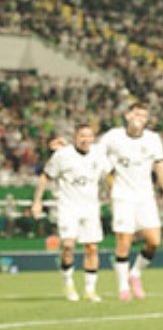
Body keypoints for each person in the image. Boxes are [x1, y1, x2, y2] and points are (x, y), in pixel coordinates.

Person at [97, 102, 163, 300]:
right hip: (122, 195)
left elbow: (161, 169)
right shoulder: (113, 136)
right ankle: (122, 287)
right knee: (123, 241)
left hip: (145, 196)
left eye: (144, 115)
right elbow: (93, 153)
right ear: (127, 115)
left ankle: (135, 274)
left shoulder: (153, 139)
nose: (140, 118)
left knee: (154, 241)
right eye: (136, 114)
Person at [30, 123, 112, 302]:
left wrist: (113, 193)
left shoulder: (99, 153)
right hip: (68, 207)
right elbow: (45, 176)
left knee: (92, 247)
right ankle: (68, 283)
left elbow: (109, 174)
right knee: (68, 245)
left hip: (91, 207)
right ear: (75, 137)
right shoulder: (62, 155)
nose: (86, 139)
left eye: (89, 136)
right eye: (82, 136)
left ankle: (90, 290)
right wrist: (37, 201)